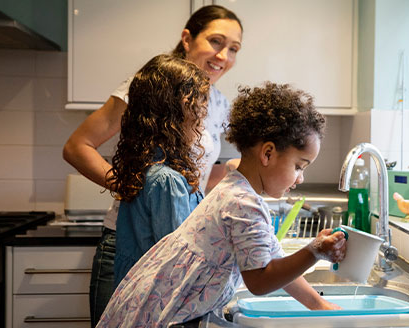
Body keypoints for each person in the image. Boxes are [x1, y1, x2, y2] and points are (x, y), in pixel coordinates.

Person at [97, 83, 347, 327]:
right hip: (166, 317)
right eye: (299, 166)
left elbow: (273, 257)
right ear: (268, 154)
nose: (300, 178)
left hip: (158, 309)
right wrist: (314, 252)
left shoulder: (237, 189)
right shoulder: (243, 202)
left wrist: (318, 304)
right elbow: (260, 280)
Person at [62, 5, 243, 326]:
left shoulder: (217, 101)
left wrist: (237, 173)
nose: (223, 56)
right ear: (187, 38)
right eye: (216, 41)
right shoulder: (148, 87)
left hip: (174, 237)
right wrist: (137, 187)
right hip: (132, 239)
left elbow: (199, 178)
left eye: (234, 49)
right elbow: (77, 146)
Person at [107, 53, 210, 284]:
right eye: (199, 111)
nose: (202, 121)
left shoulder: (143, 167)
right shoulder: (167, 181)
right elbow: (179, 263)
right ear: (174, 116)